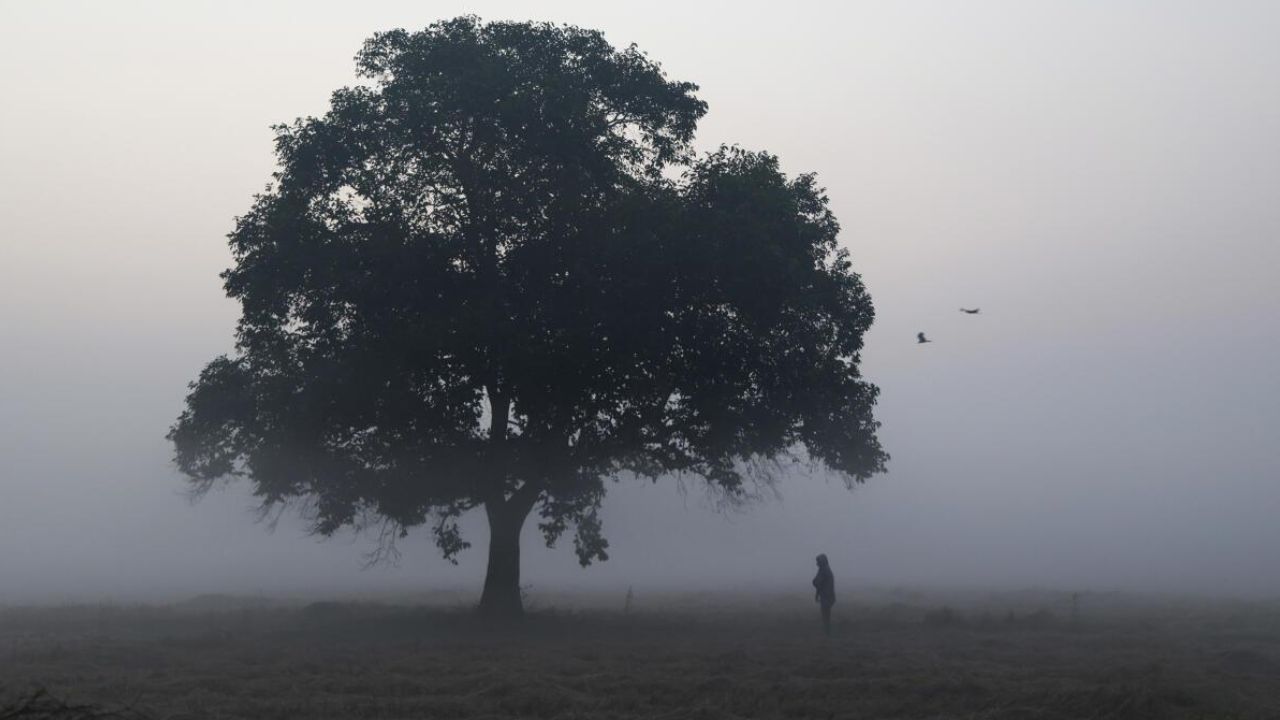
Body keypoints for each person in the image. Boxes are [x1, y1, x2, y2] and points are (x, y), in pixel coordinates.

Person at [813, 553, 836, 636]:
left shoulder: (824, 570)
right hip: (827, 596)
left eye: (818, 562)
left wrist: (817, 593)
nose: (817, 564)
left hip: (827, 597)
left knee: (826, 616)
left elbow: (817, 582)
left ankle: (827, 633)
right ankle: (827, 632)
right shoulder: (824, 569)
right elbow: (818, 583)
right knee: (826, 615)